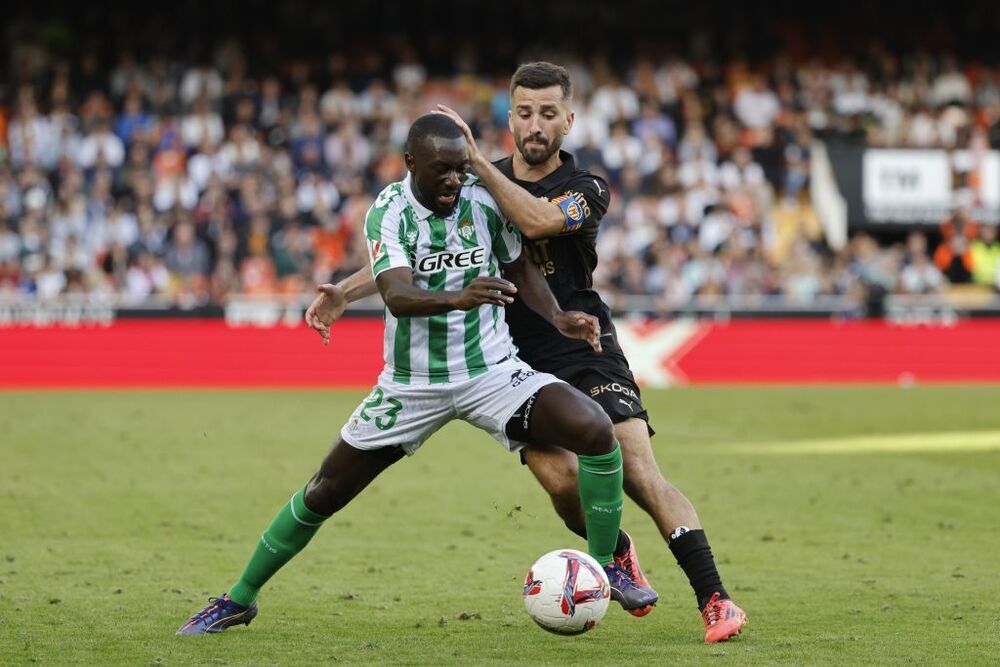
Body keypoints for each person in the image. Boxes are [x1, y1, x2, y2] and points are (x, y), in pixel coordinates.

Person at [309, 63, 747, 643]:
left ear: (569, 120)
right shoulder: (470, 184)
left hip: (579, 342)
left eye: (547, 113)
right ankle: (614, 553)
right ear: (509, 117)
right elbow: (412, 249)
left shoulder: (586, 189)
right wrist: (346, 288)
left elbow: (537, 222)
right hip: (507, 356)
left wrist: (478, 164)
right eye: (523, 112)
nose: (534, 125)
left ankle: (715, 598)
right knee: (564, 485)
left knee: (638, 470)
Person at [177, 113, 656, 635]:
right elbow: (399, 296)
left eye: (459, 169)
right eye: (441, 171)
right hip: (412, 385)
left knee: (593, 429)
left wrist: (558, 317)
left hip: (491, 371)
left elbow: (517, 267)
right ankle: (240, 597)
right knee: (324, 491)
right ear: (410, 164)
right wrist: (460, 296)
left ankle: (606, 561)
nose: (454, 180)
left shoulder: (480, 198)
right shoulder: (388, 210)